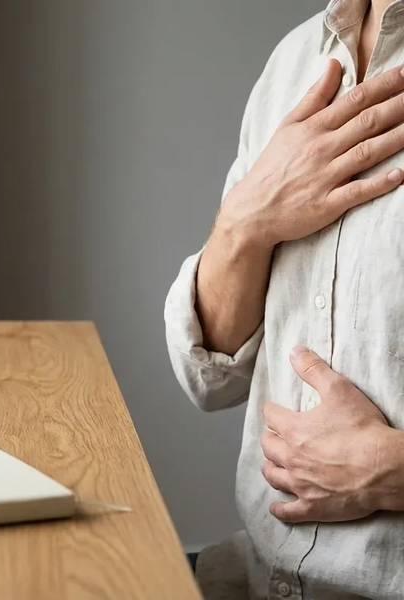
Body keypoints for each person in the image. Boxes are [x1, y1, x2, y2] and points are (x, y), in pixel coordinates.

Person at [165, 0, 404, 598]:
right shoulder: (297, 59)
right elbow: (211, 380)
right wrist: (244, 223)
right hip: (251, 576)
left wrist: (392, 473)